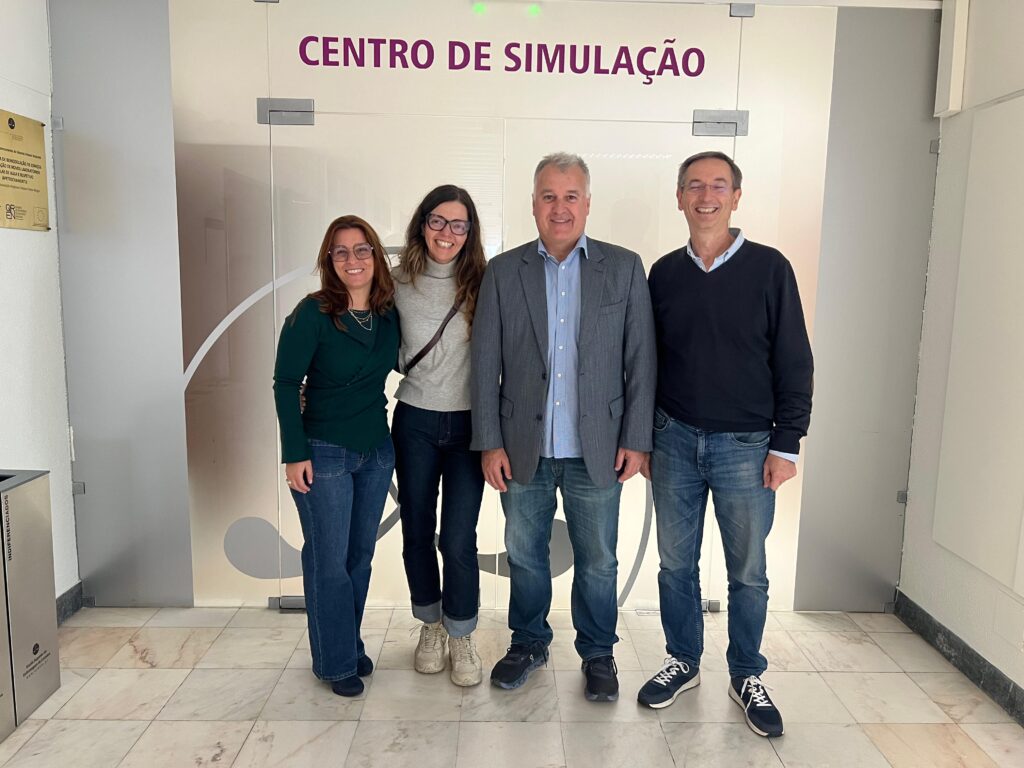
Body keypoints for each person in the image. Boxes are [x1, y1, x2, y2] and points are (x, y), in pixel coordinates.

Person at [637, 151, 814, 737]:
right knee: (674, 565)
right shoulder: (662, 273)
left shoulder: (769, 268)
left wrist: (785, 445)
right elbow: (644, 364)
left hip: (747, 445)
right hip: (674, 439)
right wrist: (643, 439)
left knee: (749, 571)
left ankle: (745, 672)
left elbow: (794, 361)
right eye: (694, 186)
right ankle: (683, 660)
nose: (705, 195)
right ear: (680, 197)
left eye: (718, 185)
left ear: (737, 197)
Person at [471, 152, 656, 701]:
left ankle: (598, 653)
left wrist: (638, 439)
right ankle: (528, 641)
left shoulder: (623, 268)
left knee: (598, 559)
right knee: (525, 553)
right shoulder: (504, 272)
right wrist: (488, 442)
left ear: (588, 203)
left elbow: (641, 360)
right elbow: (485, 363)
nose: (560, 207)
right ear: (532, 205)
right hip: (522, 445)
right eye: (548, 196)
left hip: (597, 448)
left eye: (570, 196)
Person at [273, 214, 399, 697]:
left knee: (359, 558)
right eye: (341, 251)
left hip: (375, 450)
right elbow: (286, 384)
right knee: (328, 559)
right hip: (322, 452)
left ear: (375, 257)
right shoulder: (313, 314)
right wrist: (294, 453)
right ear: (330, 260)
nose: (353, 259)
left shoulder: (388, 314)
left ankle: (345, 643)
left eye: (362, 249)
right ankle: (334, 661)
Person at [392, 184, 487, 686]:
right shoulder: (396, 283)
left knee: (457, 539)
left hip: (470, 425)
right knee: (416, 532)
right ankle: (430, 625)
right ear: (421, 224)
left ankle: (462, 632)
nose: (446, 233)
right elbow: (369, 339)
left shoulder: (486, 282)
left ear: (469, 232)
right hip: (416, 422)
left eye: (458, 224)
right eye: (437, 221)